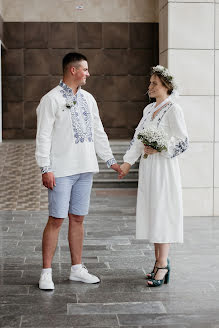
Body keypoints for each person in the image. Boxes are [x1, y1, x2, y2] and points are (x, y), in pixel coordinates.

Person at [35, 52, 122, 290]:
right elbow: (42, 136)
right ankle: (46, 272)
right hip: (60, 170)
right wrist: (45, 167)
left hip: (85, 169)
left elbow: (98, 131)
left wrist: (110, 160)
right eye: (85, 69)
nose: (88, 73)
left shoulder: (89, 99)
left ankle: (76, 269)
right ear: (73, 70)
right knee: (56, 219)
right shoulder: (51, 99)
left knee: (78, 218)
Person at [119, 65, 189, 287]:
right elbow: (138, 138)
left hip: (165, 168)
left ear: (166, 87)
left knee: (163, 212)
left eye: (154, 84)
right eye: (150, 83)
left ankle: (163, 265)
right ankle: (159, 262)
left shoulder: (174, 109)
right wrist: (127, 163)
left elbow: (183, 141)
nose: (149, 87)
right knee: (153, 213)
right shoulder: (148, 110)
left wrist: (160, 147)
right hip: (149, 169)